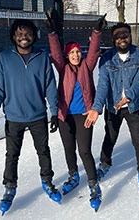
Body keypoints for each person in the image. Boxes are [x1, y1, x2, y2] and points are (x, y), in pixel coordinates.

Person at [0, 19, 61, 215]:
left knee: (43, 151)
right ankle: (10, 186)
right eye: (19, 34)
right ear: (13, 36)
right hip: (13, 117)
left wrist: (54, 112)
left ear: (34, 36)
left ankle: (47, 181)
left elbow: (50, 87)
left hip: (37, 115)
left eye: (27, 33)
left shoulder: (42, 57)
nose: (23, 37)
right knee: (12, 155)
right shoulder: (4, 58)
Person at [83, 22, 139, 203]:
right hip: (113, 107)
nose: (122, 38)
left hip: (133, 106)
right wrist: (96, 108)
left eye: (125, 34)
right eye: (117, 35)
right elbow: (103, 85)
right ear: (113, 39)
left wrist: (129, 96)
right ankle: (105, 163)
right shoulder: (106, 59)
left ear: (130, 35)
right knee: (110, 138)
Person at [45, 12, 107, 212]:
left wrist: (96, 31)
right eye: (72, 52)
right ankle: (73, 175)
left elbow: (94, 51)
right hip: (65, 116)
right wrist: (52, 33)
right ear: (67, 55)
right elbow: (55, 54)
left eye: (78, 52)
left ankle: (93, 183)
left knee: (85, 151)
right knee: (68, 148)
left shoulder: (87, 67)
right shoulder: (63, 68)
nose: (76, 55)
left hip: (84, 116)